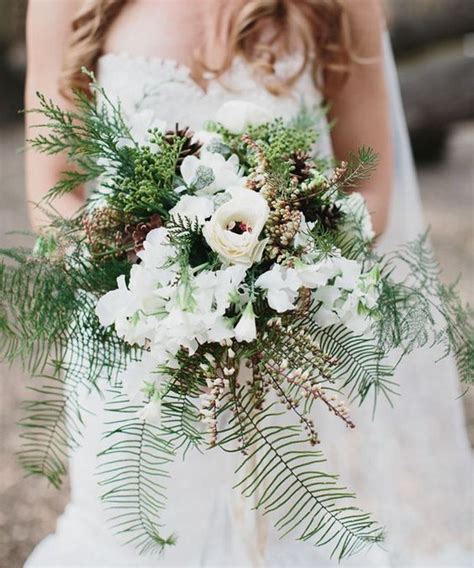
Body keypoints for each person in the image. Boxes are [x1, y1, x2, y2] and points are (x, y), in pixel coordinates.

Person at [24, 1, 472, 566]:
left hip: (281, 339)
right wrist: (139, 282)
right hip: (125, 338)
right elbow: (52, 192)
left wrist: (279, 268)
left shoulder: (339, 5)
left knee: (280, 530)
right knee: (134, 534)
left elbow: (372, 190)